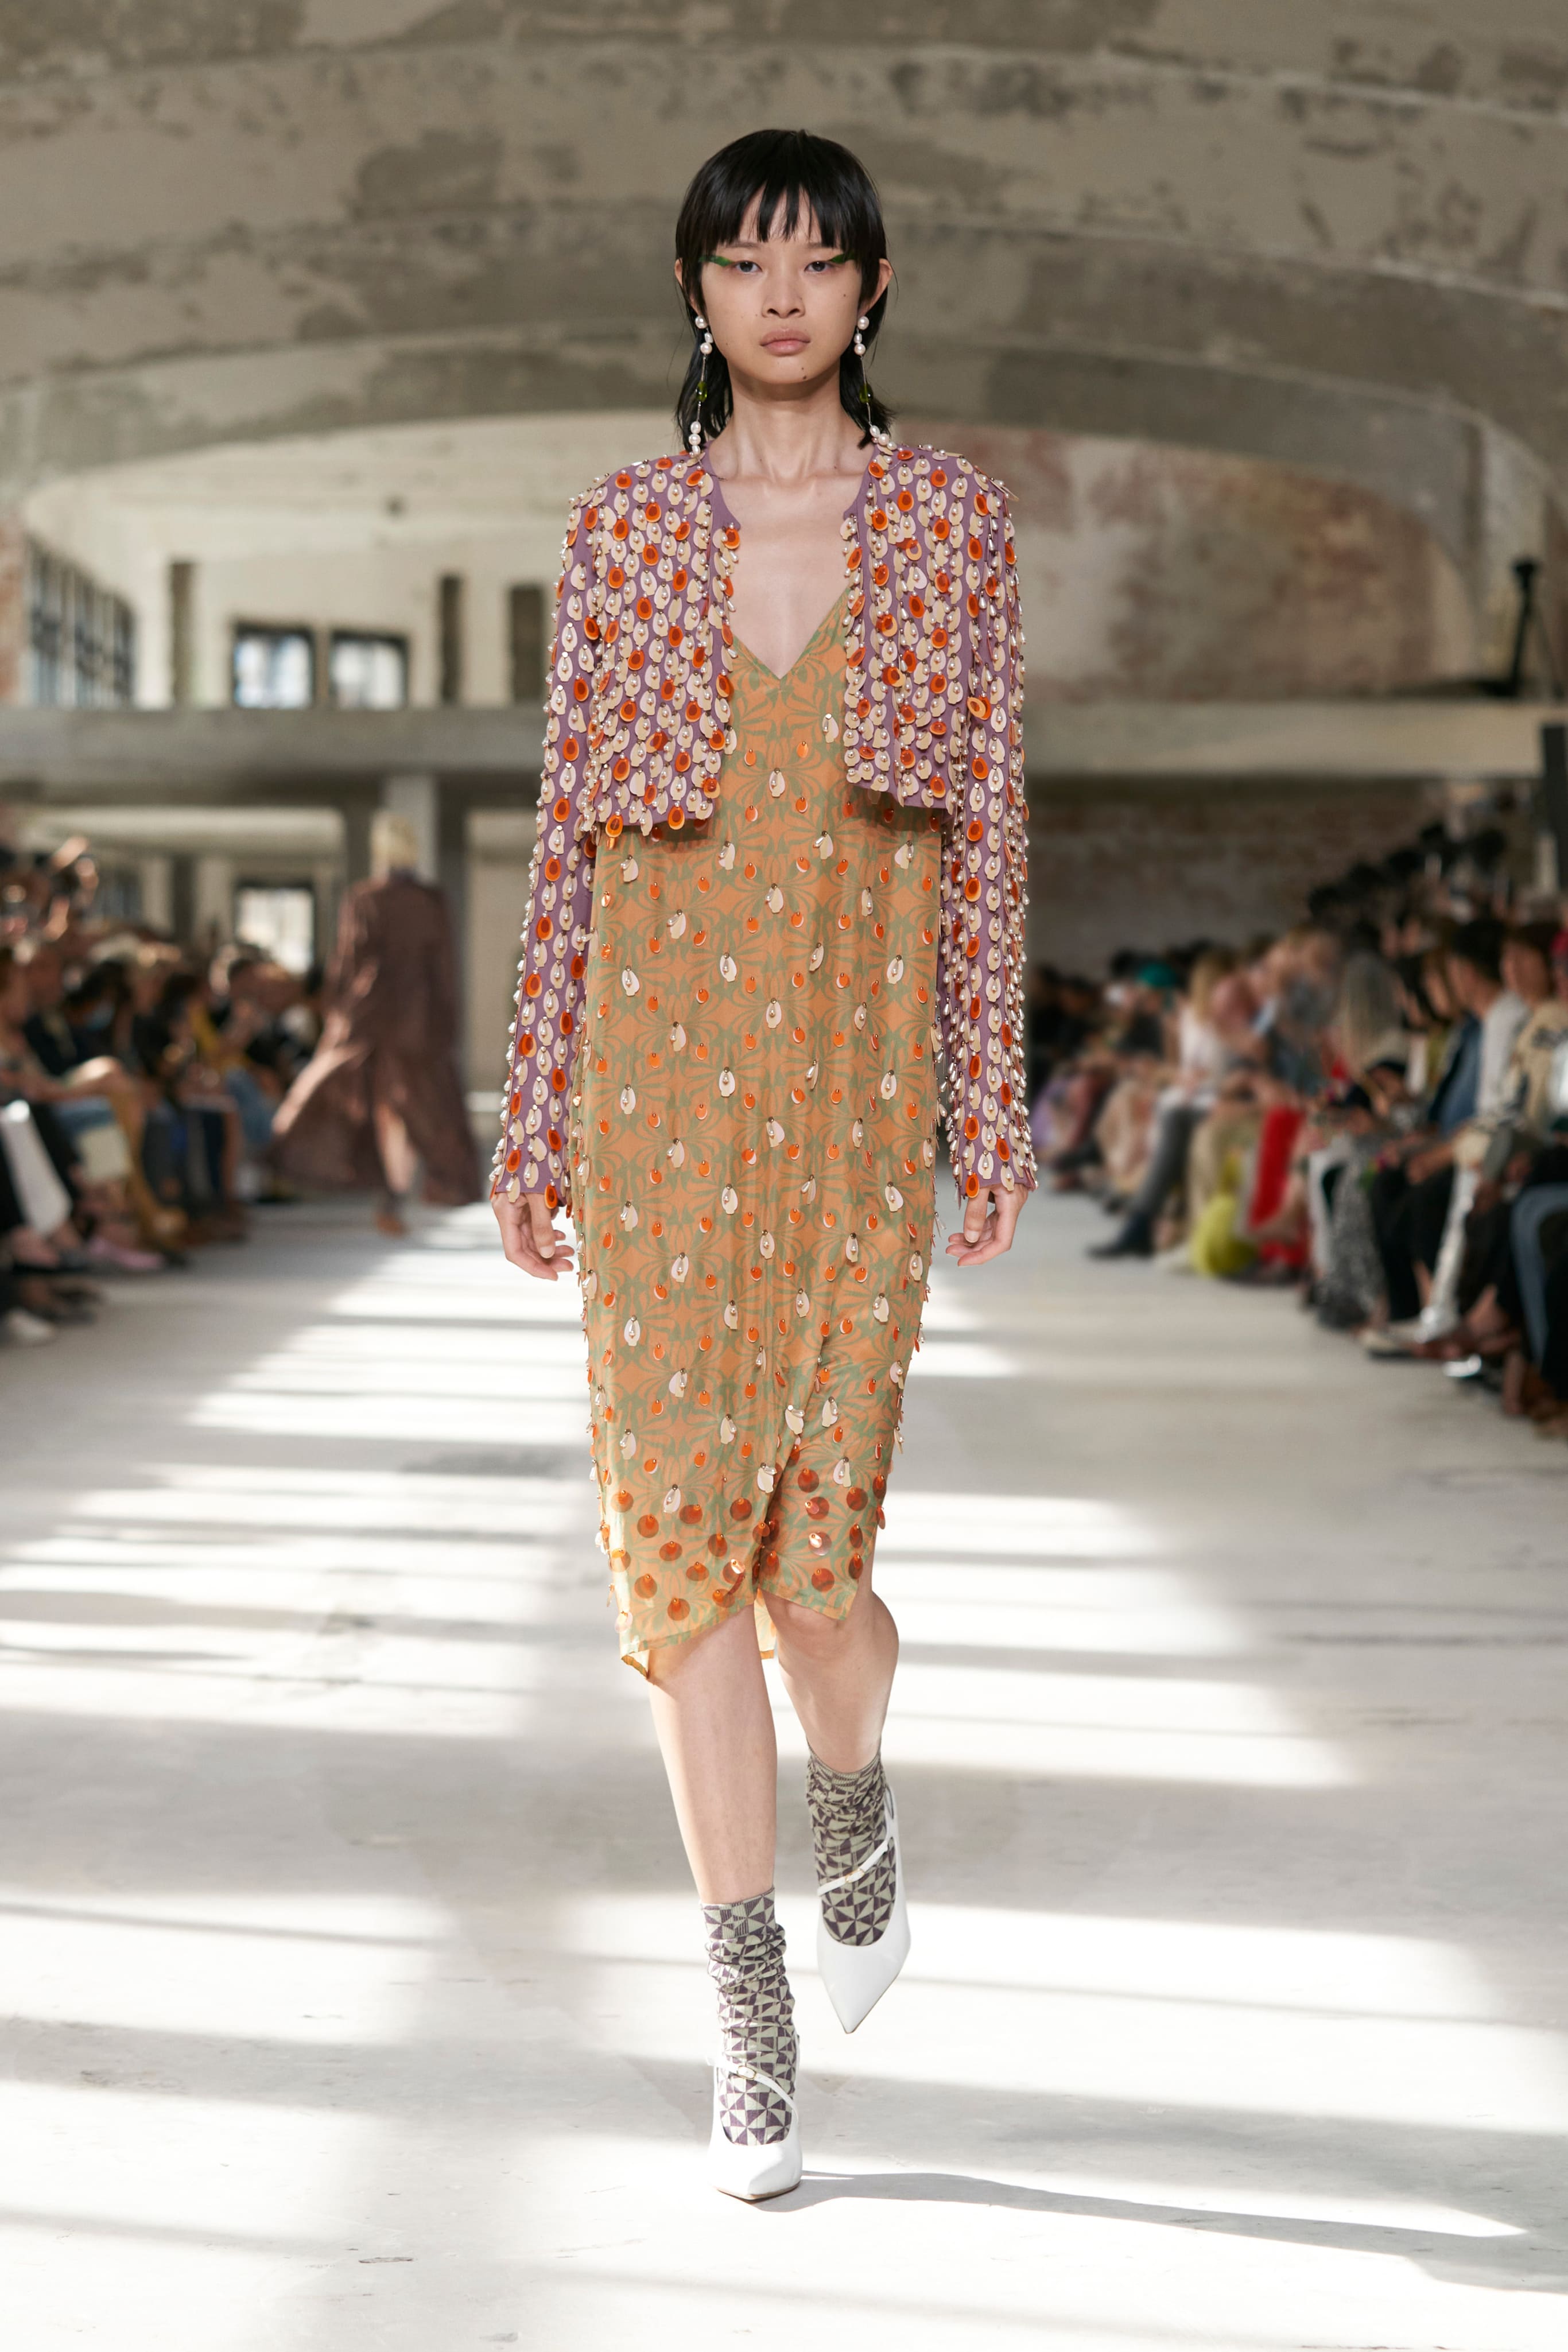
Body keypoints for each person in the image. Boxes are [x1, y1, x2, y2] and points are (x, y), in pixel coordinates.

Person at [488, 128, 1034, 2202]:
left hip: (854, 1103)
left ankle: (855, 1791)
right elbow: (567, 842)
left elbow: (988, 837)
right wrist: (533, 1113)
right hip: (653, 1109)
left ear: (872, 288)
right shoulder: (625, 531)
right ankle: (749, 2014)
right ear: (697, 291)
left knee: (818, 1584)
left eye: (815, 261)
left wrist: (987, 1106)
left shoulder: (952, 526)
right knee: (681, 1565)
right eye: (741, 260)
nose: (779, 294)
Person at [271, 813, 479, 1229]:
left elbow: (348, 961)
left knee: (379, 1107)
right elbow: (443, 967)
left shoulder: (364, 898)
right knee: (415, 1105)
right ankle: (401, 1191)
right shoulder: (430, 900)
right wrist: (447, 1020)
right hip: (418, 1016)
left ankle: (391, 1194)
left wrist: (334, 1014)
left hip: (372, 1012)